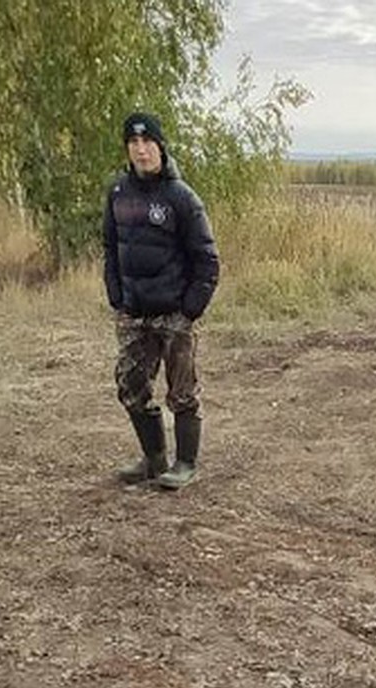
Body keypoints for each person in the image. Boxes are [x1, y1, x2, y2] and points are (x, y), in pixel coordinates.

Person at [103, 112, 219, 490]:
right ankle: (154, 460)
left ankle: (185, 463)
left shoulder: (181, 198)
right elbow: (109, 248)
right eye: (133, 143)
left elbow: (207, 259)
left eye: (147, 142)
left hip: (175, 314)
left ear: (160, 146)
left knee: (182, 392)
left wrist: (190, 309)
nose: (141, 150)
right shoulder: (118, 193)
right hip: (134, 313)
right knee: (130, 387)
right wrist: (117, 296)